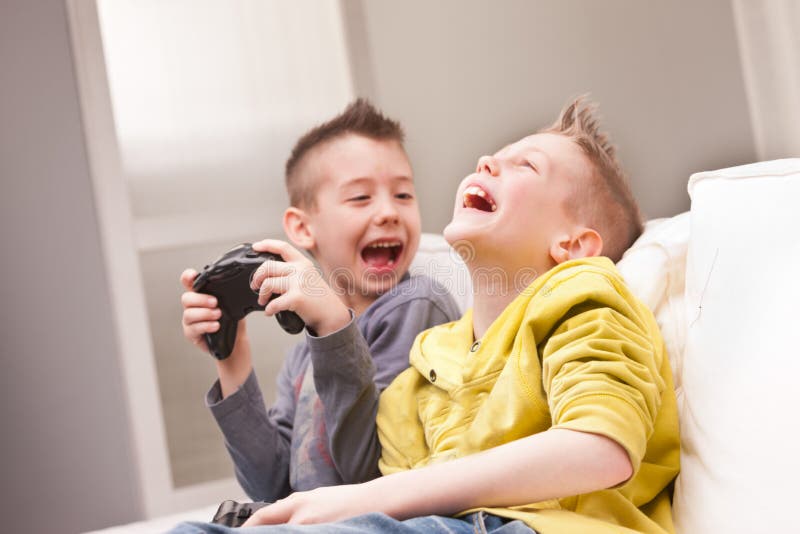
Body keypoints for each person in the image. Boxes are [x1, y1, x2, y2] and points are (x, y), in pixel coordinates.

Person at [172, 96, 681, 534]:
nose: (485, 160)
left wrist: (359, 504)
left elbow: (601, 447)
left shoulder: (586, 294)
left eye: (525, 165)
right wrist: (233, 360)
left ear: (572, 245)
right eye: (360, 196)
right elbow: (363, 477)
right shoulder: (434, 357)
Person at [179, 99, 461, 501]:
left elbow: (371, 474)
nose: (389, 212)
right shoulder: (303, 358)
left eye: (403, 195)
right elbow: (270, 486)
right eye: (361, 198)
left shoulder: (417, 307)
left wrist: (332, 326)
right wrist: (232, 355)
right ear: (302, 228)